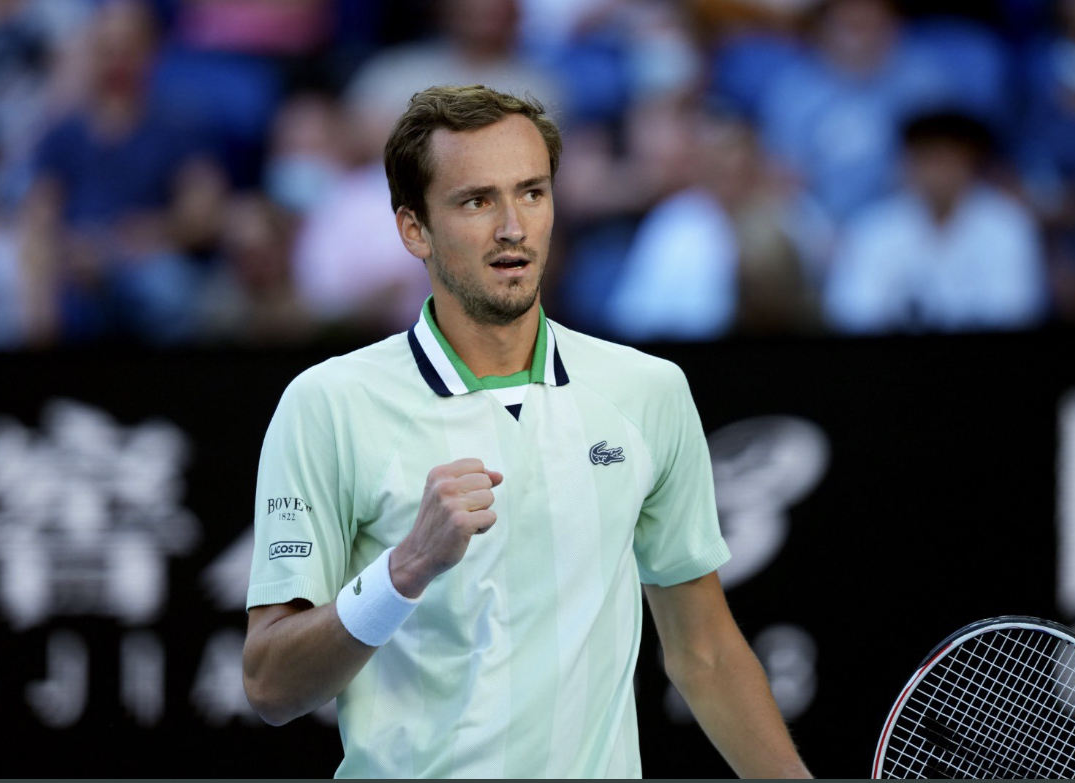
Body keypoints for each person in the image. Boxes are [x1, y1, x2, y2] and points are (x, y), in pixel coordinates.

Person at [242, 85, 812, 779]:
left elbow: (707, 654)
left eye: (532, 193)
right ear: (414, 229)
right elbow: (271, 685)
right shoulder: (326, 404)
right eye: (477, 201)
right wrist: (404, 569)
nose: (513, 227)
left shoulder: (648, 391)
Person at [825, 110, 1046, 334]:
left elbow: (1016, 312)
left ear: (971, 163)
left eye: (951, 159)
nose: (940, 172)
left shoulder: (1008, 226)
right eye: (929, 158)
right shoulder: (872, 229)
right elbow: (855, 315)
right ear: (908, 164)